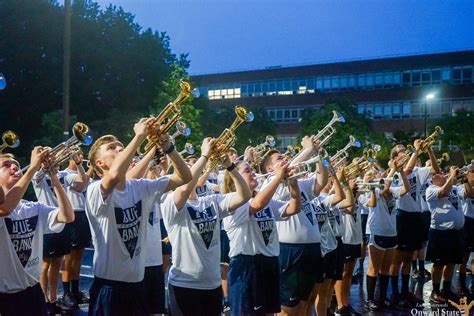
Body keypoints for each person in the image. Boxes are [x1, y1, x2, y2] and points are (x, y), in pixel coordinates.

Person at [86, 118, 192, 316]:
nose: (119, 148)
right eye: (112, 148)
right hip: (109, 288)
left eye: (120, 145)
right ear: (100, 163)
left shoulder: (141, 186)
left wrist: (168, 147)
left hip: (137, 285)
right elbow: (114, 176)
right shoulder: (94, 190)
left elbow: (184, 177)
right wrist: (139, 136)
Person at [161, 138, 251, 316]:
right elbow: (185, 188)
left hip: (212, 284)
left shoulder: (211, 201)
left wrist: (230, 166)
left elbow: (245, 195)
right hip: (184, 284)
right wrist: (204, 155)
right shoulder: (170, 203)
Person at [0, 149, 74, 316]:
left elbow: (67, 216)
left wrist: (54, 178)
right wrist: (32, 168)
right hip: (4, 298)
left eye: (16, 165)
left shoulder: (32, 207)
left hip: (33, 292)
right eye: (6, 165)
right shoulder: (3, 208)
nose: (14, 167)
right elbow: (5, 208)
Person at [259, 136, 328, 316]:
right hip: (290, 250)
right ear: (269, 169)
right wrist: (308, 149)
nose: (285, 160)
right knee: (288, 307)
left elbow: (321, 182)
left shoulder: (298, 182)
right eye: (279, 159)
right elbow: (285, 171)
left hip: (311, 248)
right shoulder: (270, 183)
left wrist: (319, 155)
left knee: (306, 302)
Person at [223, 159, 301, 316]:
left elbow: (294, 207)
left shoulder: (265, 200)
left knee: (269, 313)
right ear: (234, 178)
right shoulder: (231, 202)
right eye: (247, 170)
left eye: (252, 169)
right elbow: (257, 204)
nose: (253, 172)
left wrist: (293, 184)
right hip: (246, 265)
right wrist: (278, 177)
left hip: (269, 262)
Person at [32, 152, 88, 313]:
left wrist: (79, 164)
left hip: (63, 220)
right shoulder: (39, 176)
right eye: (49, 157)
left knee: (57, 263)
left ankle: (54, 299)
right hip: (47, 221)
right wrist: (44, 163)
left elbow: (82, 182)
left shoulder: (63, 175)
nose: (53, 159)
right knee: (45, 264)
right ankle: (44, 300)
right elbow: (36, 173)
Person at [389, 140, 438, 308]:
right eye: (401, 151)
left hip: (416, 216)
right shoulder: (394, 172)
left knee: (409, 258)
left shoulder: (417, 170)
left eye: (406, 150)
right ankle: (395, 294)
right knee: (398, 258)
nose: (405, 152)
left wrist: (430, 151)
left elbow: (436, 171)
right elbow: (407, 169)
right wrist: (416, 151)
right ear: (394, 157)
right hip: (403, 217)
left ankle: (405, 291)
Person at [360, 162, 409, 312]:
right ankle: (370, 299)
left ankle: (382, 297)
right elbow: (377, 199)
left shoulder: (392, 190)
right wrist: (392, 169)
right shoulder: (364, 194)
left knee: (386, 269)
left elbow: (406, 189)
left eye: (374, 175)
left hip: (392, 233)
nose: (373, 177)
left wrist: (401, 172)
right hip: (376, 232)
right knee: (374, 268)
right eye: (369, 176)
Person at [426, 167, 465, 304]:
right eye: (439, 174)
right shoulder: (430, 189)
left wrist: (467, 180)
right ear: (432, 179)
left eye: (444, 173)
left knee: (451, 262)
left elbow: (469, 192)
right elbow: (443, 192)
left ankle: (447, 290)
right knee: (438, 263)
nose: (443, 174)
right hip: (440, 232)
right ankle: (435, 291)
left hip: (456, 231)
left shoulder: (454, 187)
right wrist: (452, 176)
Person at [59, 151, 91, 307]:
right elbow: (80, 185)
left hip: (82, 214)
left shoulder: (82, 172)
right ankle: (66, 293)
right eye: (76, 154)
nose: (80, 156)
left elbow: (87, 184)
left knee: (79, 254)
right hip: (71, 215)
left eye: (80, 153)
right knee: (69, 257)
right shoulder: (64, 174)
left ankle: (75, 290)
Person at [457, 166, 474, 297]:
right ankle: (462, 285)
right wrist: (466, 180)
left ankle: (473, 284)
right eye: (472, 172)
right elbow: (469, 194)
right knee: (464, 256)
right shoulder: (461, 186)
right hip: (467, 222)